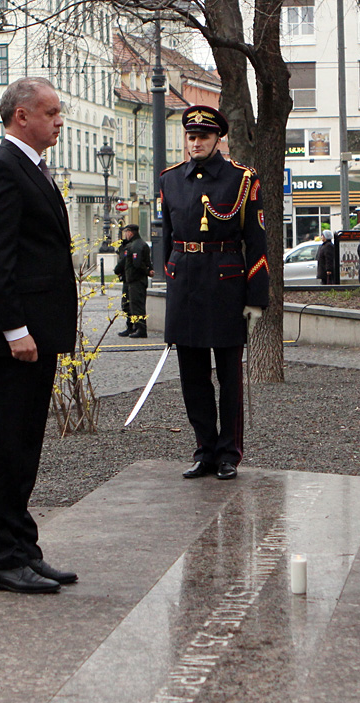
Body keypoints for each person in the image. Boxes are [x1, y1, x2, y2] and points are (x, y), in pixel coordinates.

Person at [0, 77, 78, 594]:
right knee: (4, 447)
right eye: (51, 113)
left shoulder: (31, 166)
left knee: (24, 446)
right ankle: (2, 559)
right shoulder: (0, 169)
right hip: (13, 338)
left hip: (36, 333)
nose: (59, 121)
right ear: (21, 116)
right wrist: (16, 329)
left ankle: (24, 549)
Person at [160, 104, 269, 481]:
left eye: (203, 136)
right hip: (185, 284)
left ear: (217, 138)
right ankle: (205, 449)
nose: (195, 143)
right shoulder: (170, 179)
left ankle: (228, 453)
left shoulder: (241, 179)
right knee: (192, 378)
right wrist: (169, 274)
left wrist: (256, 297)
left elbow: (256, 242)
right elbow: (168, 235)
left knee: (229, 377)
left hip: (225, 285)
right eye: (190, 136)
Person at [116, 224, 152, 338]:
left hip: (136, 279)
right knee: (129, 304)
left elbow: (138, 264)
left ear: (131, 232)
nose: (125, 234)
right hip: (131, 279)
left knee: (137, 305)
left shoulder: (136, 245)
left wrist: (147, 271)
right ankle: (132, 327)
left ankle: (140, 329)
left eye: (126, 232)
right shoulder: (132, 245)